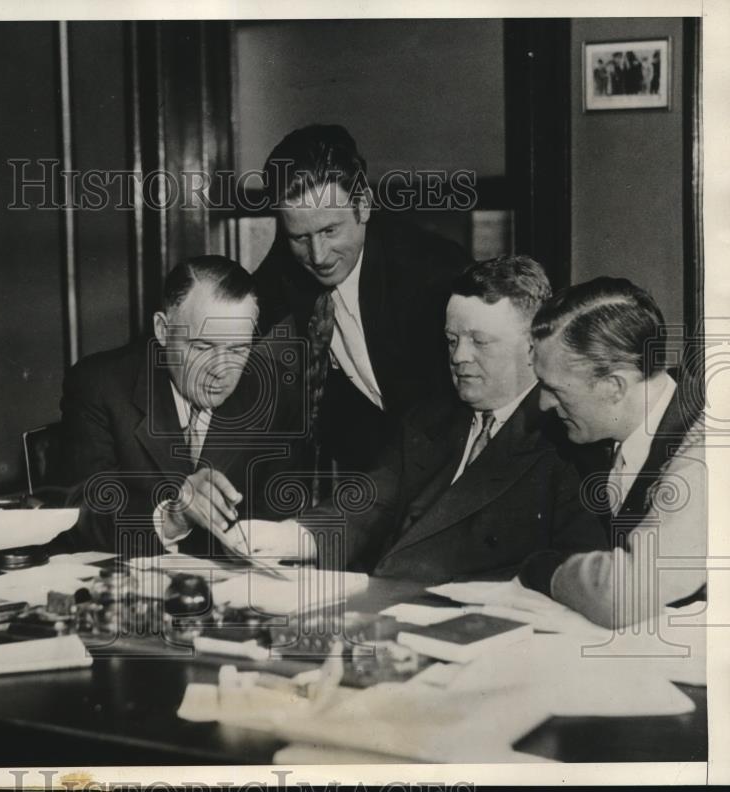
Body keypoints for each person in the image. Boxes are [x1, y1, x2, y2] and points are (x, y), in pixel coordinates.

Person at [304, 256, 606, 581]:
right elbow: (370, 501)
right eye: (452, 340)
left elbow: (574, 572)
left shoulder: (569, 438)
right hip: (392, 598)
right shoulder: (430, 417)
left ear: (534, 347)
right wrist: (292, 537)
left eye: (480, 341)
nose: (459, 357)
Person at [253, 124, 473, 476]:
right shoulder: (289, 259)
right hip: (375, 467)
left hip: (460, 462)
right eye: (299, 237)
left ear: (364, 206)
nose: (318, 255)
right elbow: (229, 321)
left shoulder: (434, 273)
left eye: (330, 231)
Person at [57, 255, 305, 559]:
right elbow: (79, 514)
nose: (221, 369)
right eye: (202, 347)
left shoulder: (277, 395)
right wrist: (174, 516)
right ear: (163, 330)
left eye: (239, 349)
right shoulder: (101, 384)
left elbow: (278, 519)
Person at [520, 277, 706, 628]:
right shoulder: (622, 440)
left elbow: (624, 595)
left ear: (614, 386)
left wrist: (546, 570)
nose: (544, 404)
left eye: (554, 389)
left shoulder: (705, 454)